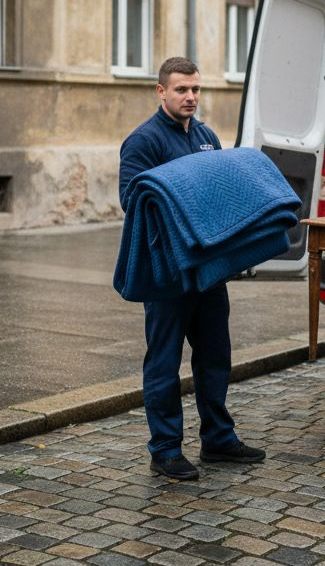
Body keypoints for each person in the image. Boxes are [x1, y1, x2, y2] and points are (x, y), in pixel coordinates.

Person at [119, 56, 266, 481]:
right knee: (164, 363)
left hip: (207, 272)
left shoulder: (206, 136)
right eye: (182, 89)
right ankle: (164, 450)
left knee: (215, 356)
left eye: (196, 89)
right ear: (161, 91)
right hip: (166, 276)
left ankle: (218, 439)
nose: (190, 97)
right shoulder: (142, 142)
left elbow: (218, 201)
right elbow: (133, 204)